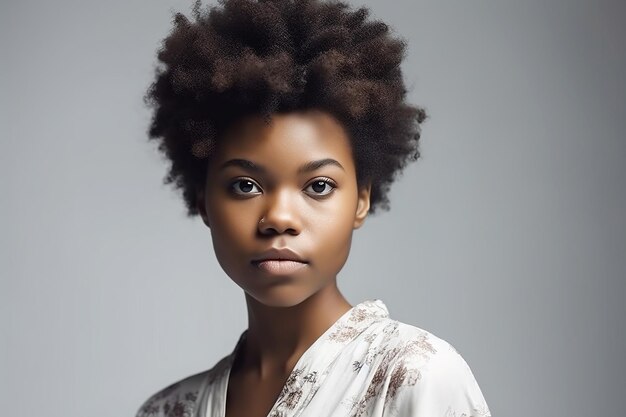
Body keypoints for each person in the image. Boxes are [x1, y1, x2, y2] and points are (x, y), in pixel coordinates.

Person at [136, 0, 492, 416]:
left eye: (318, 186)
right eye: (245, 185)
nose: (280, 219)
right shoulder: (167, 410)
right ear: (204, 202)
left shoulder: (418, 377)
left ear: (362, 199)